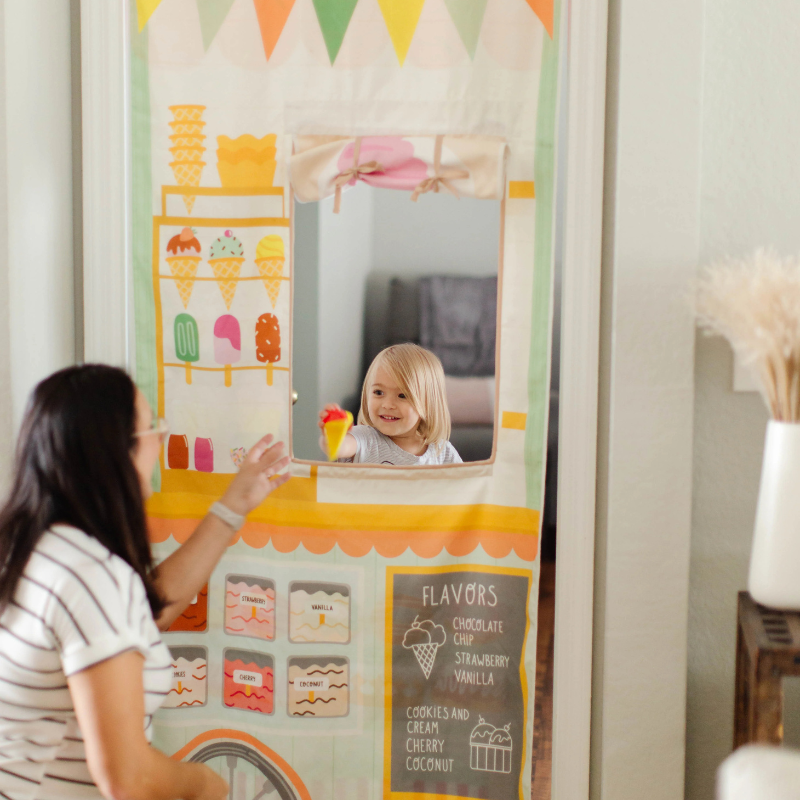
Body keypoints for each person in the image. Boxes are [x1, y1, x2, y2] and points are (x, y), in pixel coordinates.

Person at [0, 364, 290, 800]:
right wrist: (206, 785)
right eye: (153, 426)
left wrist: (233, 508)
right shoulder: (90, 575)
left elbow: (144, 614)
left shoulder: (36, 548)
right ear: (120, 451)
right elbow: (128, 778)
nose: (160, 438)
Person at [318, 343, 462, 465]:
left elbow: (466, 487)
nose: (387, 405)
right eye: (378, 393)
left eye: (402, 396)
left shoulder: (442, 453)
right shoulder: (366, 438)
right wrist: (333, 434)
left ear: (428, 404)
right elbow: (337, 448)